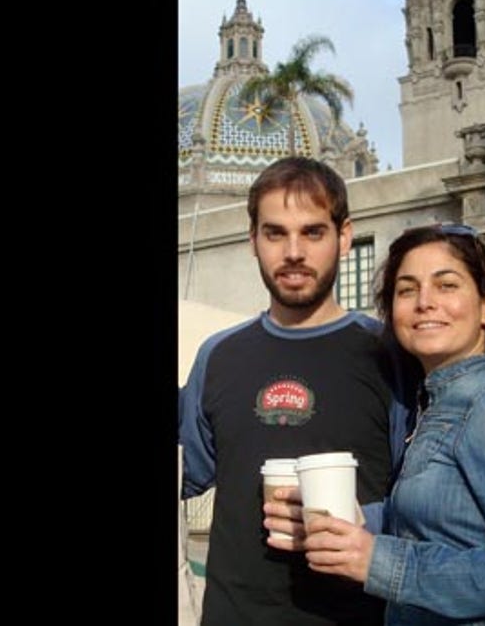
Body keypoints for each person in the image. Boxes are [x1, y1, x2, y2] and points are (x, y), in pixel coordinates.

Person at [269, 222, 485, 624]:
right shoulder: (435, 401)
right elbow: (446, 525)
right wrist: (357, 517)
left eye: (447, 285)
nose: (424, 302)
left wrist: (379, 562)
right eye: (407, 290)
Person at [178, 157, 416, 625]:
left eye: (312, 232)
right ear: (252, 240)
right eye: (274, 233)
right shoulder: (218, 356)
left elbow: (426, 502)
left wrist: (360, 518)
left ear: (344, 237)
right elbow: (189, 474)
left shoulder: (389, 355)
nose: (293, 252)